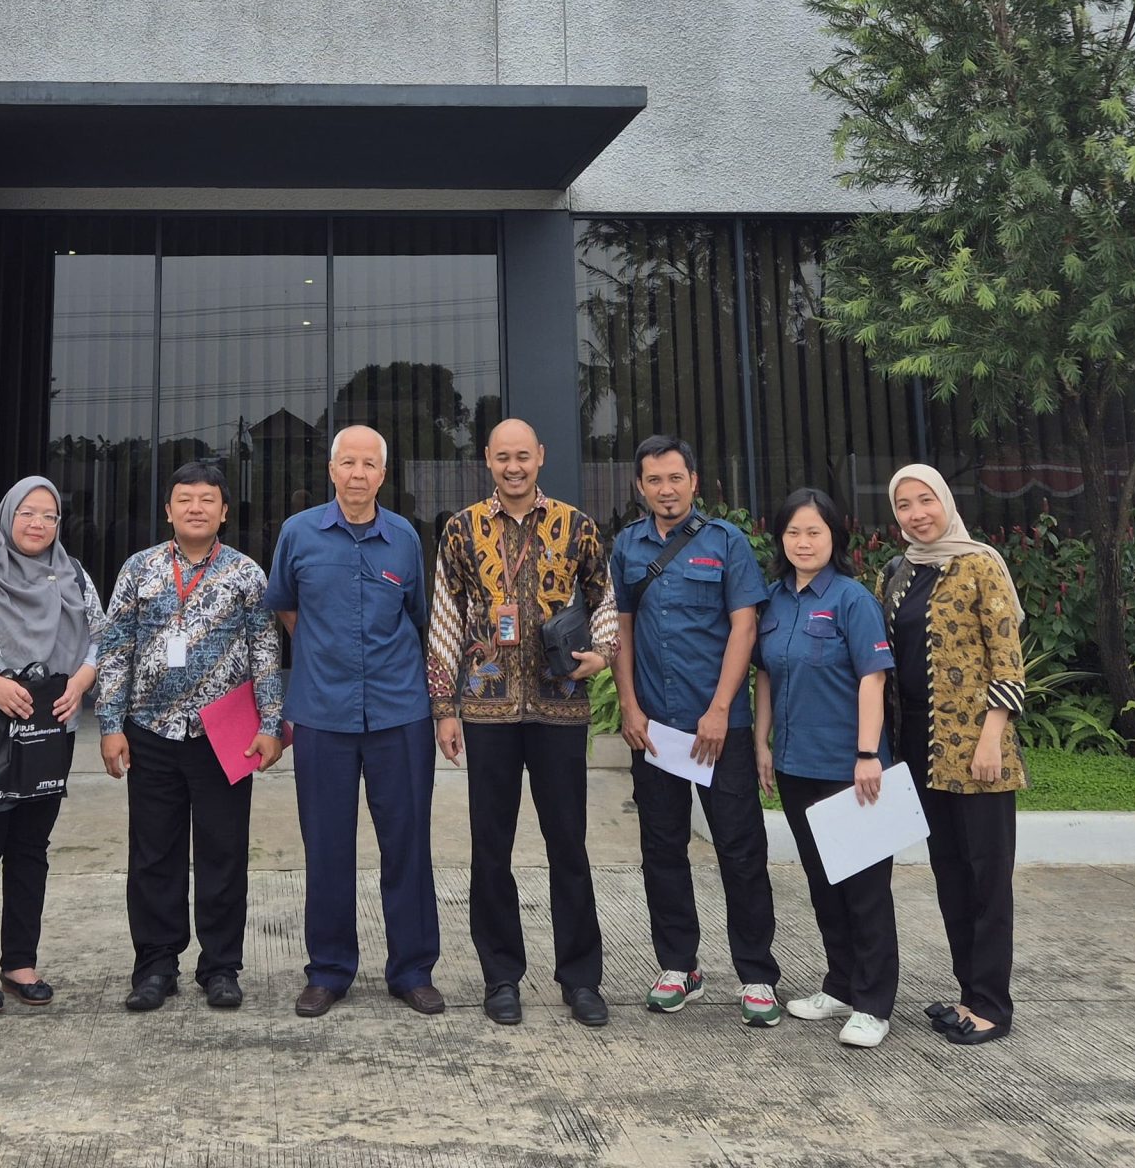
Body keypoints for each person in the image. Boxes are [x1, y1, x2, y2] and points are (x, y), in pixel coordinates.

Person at [429, 418, 616, 1028]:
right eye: (503, 457)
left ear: (541, 456)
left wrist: (602, 653)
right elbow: (445, 618)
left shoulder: (576, 525)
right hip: (487, 709)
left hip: (560, 704)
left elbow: (605, 599)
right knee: (491, 847)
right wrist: (444, 708)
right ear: (488, 459)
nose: (514, 467)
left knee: (569, 846)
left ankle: (580, 979)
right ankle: (501, 977)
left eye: (523, 456)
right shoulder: (461, 529)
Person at [264, 424, 444, 1018]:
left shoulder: (404, 539)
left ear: (383, 475)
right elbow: (285, 605)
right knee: (327, 846)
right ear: (332, 470)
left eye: (369, 464)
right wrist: (323, 652)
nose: (358, 474)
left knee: (407, 845)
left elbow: (417, 615)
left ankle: (412, 970)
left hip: (399, 713)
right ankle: (329, 971)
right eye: (348, 463)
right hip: (322, 713)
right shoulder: (298, 534)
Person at [95, 459, 286, 1012]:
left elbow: (266, 652)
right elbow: (115, 649)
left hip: (224, 736)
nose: (195, 508)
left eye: (207, 499)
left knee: (224, 853)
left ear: (224, 511)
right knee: (154, 855)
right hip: (150, 732)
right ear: (168, 510)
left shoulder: (246, 574)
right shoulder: (139, 569)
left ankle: (220, 967)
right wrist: (110, 725)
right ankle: (155, 966)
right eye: (185, 499)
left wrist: (271, 725)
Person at [609, 434, 780, 1024]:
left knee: (740, 849)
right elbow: (621, 630)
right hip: (655, 729)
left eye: (675, 478)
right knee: (662, 848)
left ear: (694, 482)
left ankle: (757, 974)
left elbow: (744, 628)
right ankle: (678, 965)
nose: (666, 489)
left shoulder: (726, 542)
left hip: (719, 730)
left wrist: (719, 708)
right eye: (654, 480)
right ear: (640, 486)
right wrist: (629, 706)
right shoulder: (627, 546)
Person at [0, 474, 105, 1014]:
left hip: (49, 735)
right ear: (8, 516)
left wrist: (81, 681)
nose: (38, 524)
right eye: (28, 512)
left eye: (49, 516)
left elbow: (102, 636)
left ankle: (20, 963)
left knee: (31, 849)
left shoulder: (73, 574)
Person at [879, 462, 1026, 1046]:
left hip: (978, 748)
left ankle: (992, 1006)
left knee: (987, 877)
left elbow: (1008, 662)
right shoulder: (897, 573)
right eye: (904, 505)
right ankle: (969, 994)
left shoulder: (980, 563)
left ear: (945, 501)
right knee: (950, 874)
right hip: (921, 749)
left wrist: (992, 738)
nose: (917, 514)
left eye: (926, 500)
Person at [752, 487, 899, 1050]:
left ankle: (873, 1004)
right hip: (795, 763)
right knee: (823, 882)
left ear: (835, 536)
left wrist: (867, 754)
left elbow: (873, 678)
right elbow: (766, 675)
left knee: (865, 888)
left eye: (814, 531)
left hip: (849, 767)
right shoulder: (773, 600)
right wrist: (762, 743)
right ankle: (840, 984)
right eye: (793, 532)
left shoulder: (852, 600)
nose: (803, 542)